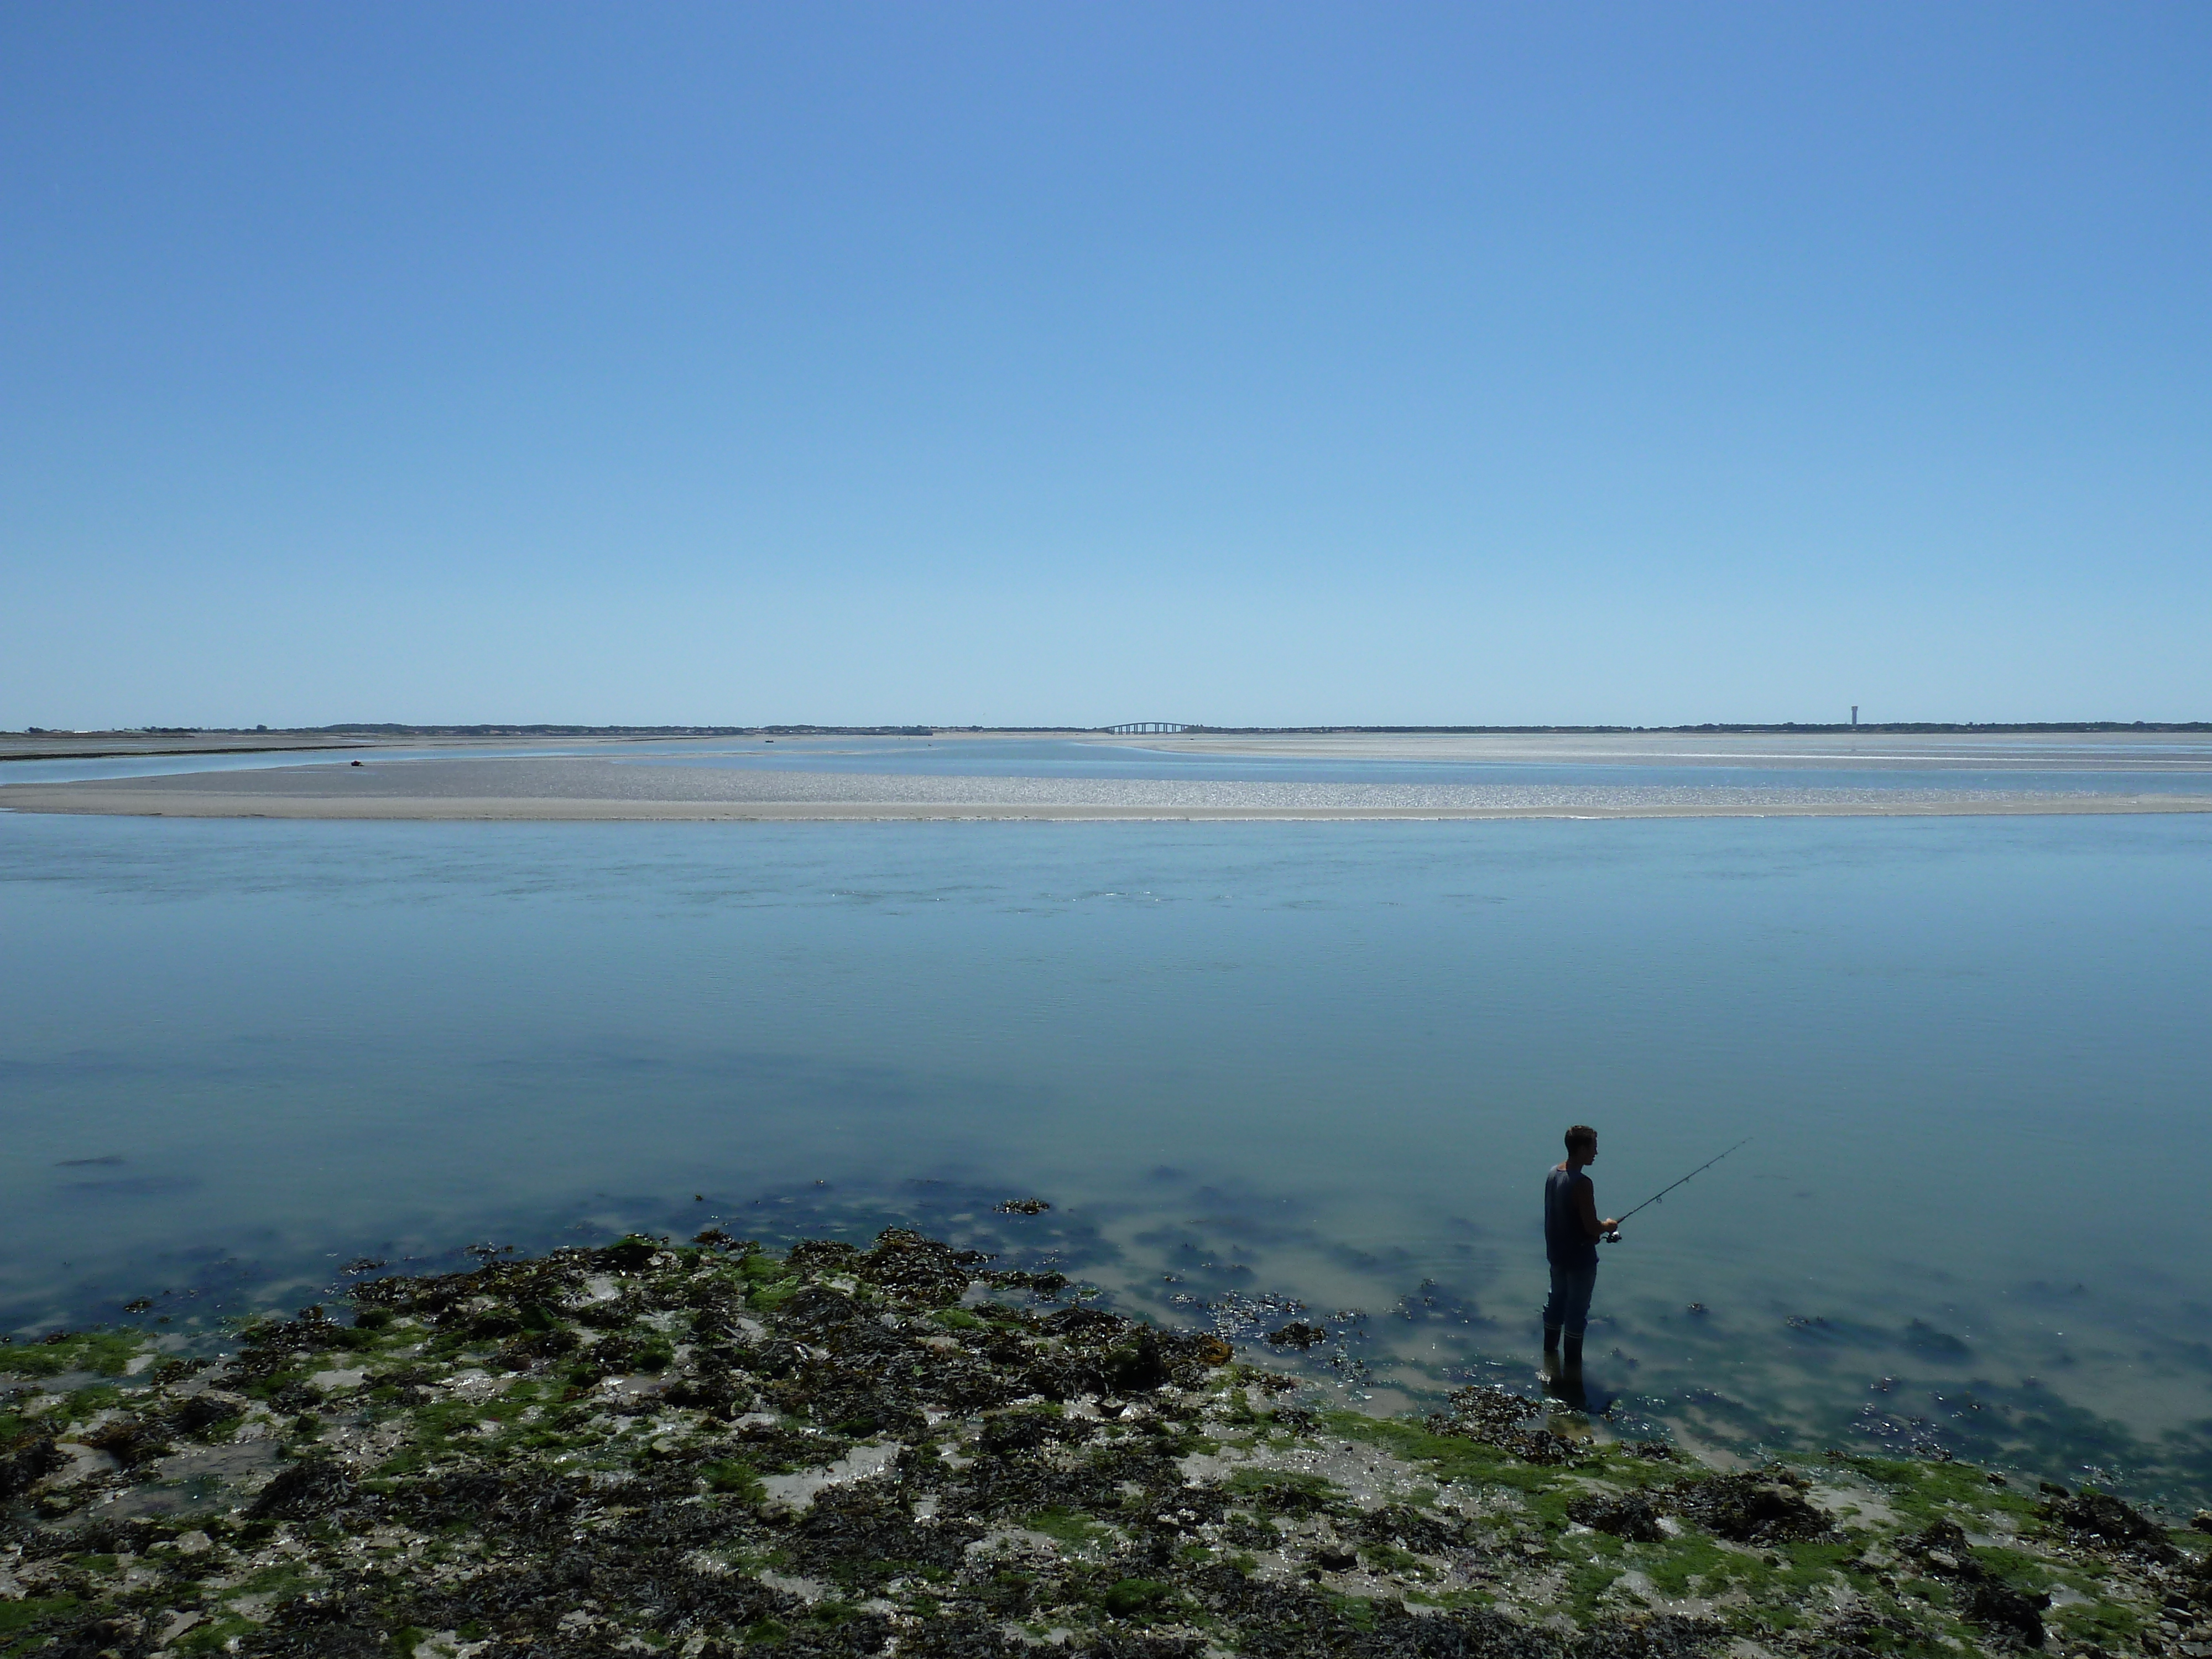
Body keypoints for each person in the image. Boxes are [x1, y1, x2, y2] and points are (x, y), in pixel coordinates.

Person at [1543, 1124, 1618, 1372]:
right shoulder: (1582, 1183)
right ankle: (1573, 1370)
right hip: (1580, 1259)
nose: (1596, 1153)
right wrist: (1608, 1226)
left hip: (1556, 1255)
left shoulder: (1553, 1173)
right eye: (1593, 1148)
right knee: (1576, 1314)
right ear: (1582, 1149)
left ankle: (1549, 1357)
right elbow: (1591, 1226)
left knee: (1555, 1305)